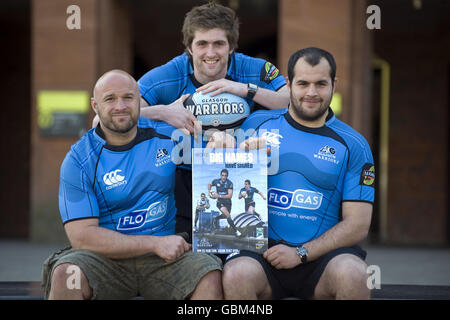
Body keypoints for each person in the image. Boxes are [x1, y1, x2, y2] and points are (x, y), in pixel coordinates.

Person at [42, 70, 222, 300]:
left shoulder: (169, 137)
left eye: (128, 97)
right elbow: (82, 237)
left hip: (166, 262)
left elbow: (218, 154)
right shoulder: (79, 159)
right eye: (110, 99)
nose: (120, 106)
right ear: (95, 106)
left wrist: (223, 141)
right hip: (104, 259)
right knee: (67, 274)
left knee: (209, 274)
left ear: (139, 101)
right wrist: (155, 244)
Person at [222, 47, 375, 300]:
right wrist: (220, 144)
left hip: (323, 259)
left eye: (321, 84)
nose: (311, 93)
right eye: (303, 83)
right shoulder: (256, 124)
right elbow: (224, 179)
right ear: (289, 84)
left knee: (355, 274)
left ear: (334, 84)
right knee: (236, 274)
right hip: (261, 253)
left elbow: (358, 225)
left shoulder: (354, 144)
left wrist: (301, 253)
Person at [135, 2, 290, 239]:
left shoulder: (252, 68)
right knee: (190, 258)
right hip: (184, 177)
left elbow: (289, 100)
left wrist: (244, 89)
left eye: (219, 43)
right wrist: (164, 112)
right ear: (189, 47)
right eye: (202, 44)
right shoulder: (169, 74)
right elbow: (105, 119)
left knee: (239, 259)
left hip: (240, 173)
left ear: (231, 47)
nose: (211, 53)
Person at [208, 168, 241, 236]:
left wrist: (218, 195)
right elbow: (210, 184)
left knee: (226, 216)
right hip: (220, 202)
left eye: (225, 175)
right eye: (222, 175)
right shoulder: (216, 181)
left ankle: (216, 218)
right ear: (220, 175)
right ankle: (236, 231)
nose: (224, 177)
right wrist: (209, 191)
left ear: (227, 176)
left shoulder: (230, 183)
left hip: (228, 202)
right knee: (228, 215)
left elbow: (229, 196)